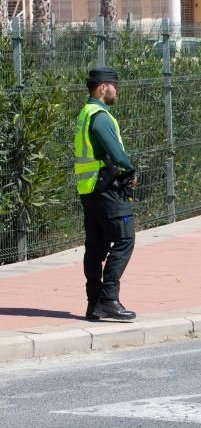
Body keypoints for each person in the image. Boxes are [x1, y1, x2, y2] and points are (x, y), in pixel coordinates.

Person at [74, 66, 137, 322]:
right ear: (102, 88)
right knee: (124, 238)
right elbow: (114, 151)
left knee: (96, 248)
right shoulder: (99, 116)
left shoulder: (85, 113)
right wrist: (129, 168)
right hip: (104, 189)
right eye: (114, 85)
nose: (117, 90)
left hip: (89, 190)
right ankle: (109, 299)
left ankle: (94, 304)